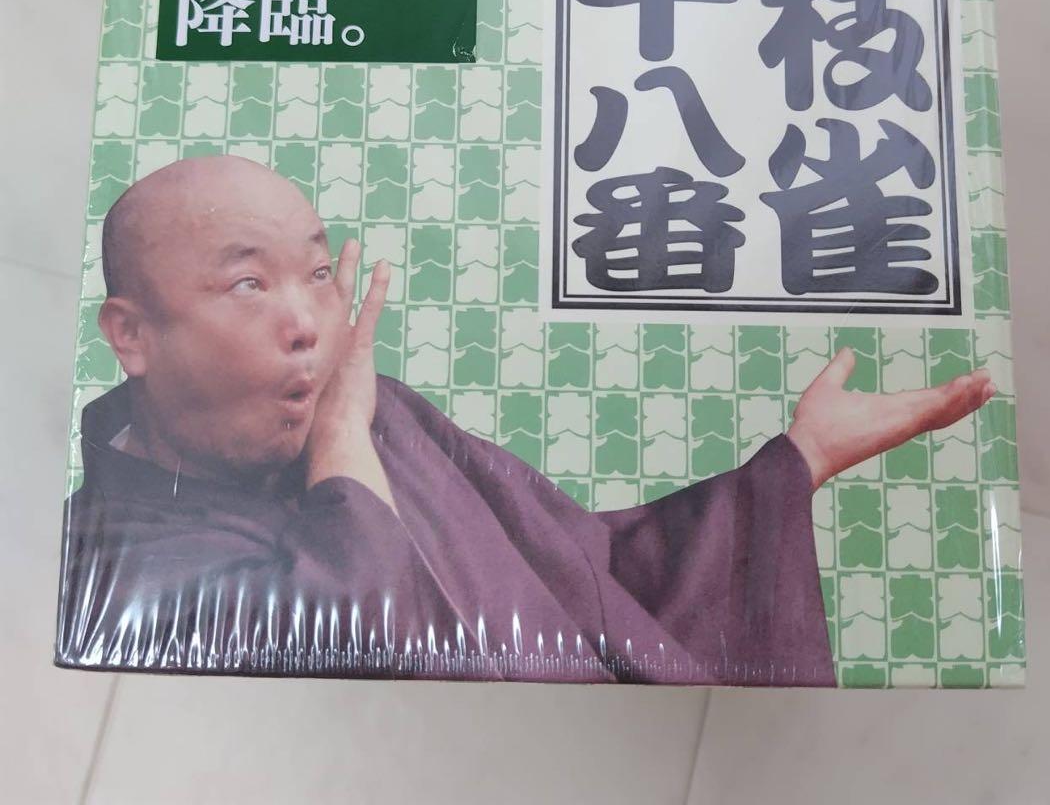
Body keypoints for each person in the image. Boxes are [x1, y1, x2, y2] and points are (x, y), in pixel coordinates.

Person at [55, 156, 994, 685]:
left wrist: (795, 461)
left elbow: (588, 566)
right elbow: (364, 645)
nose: (308, 322)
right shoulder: (114, 569)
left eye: (317, 272)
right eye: (248, 285)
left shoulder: (375, 417)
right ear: (131, 335)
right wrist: (341, 438)